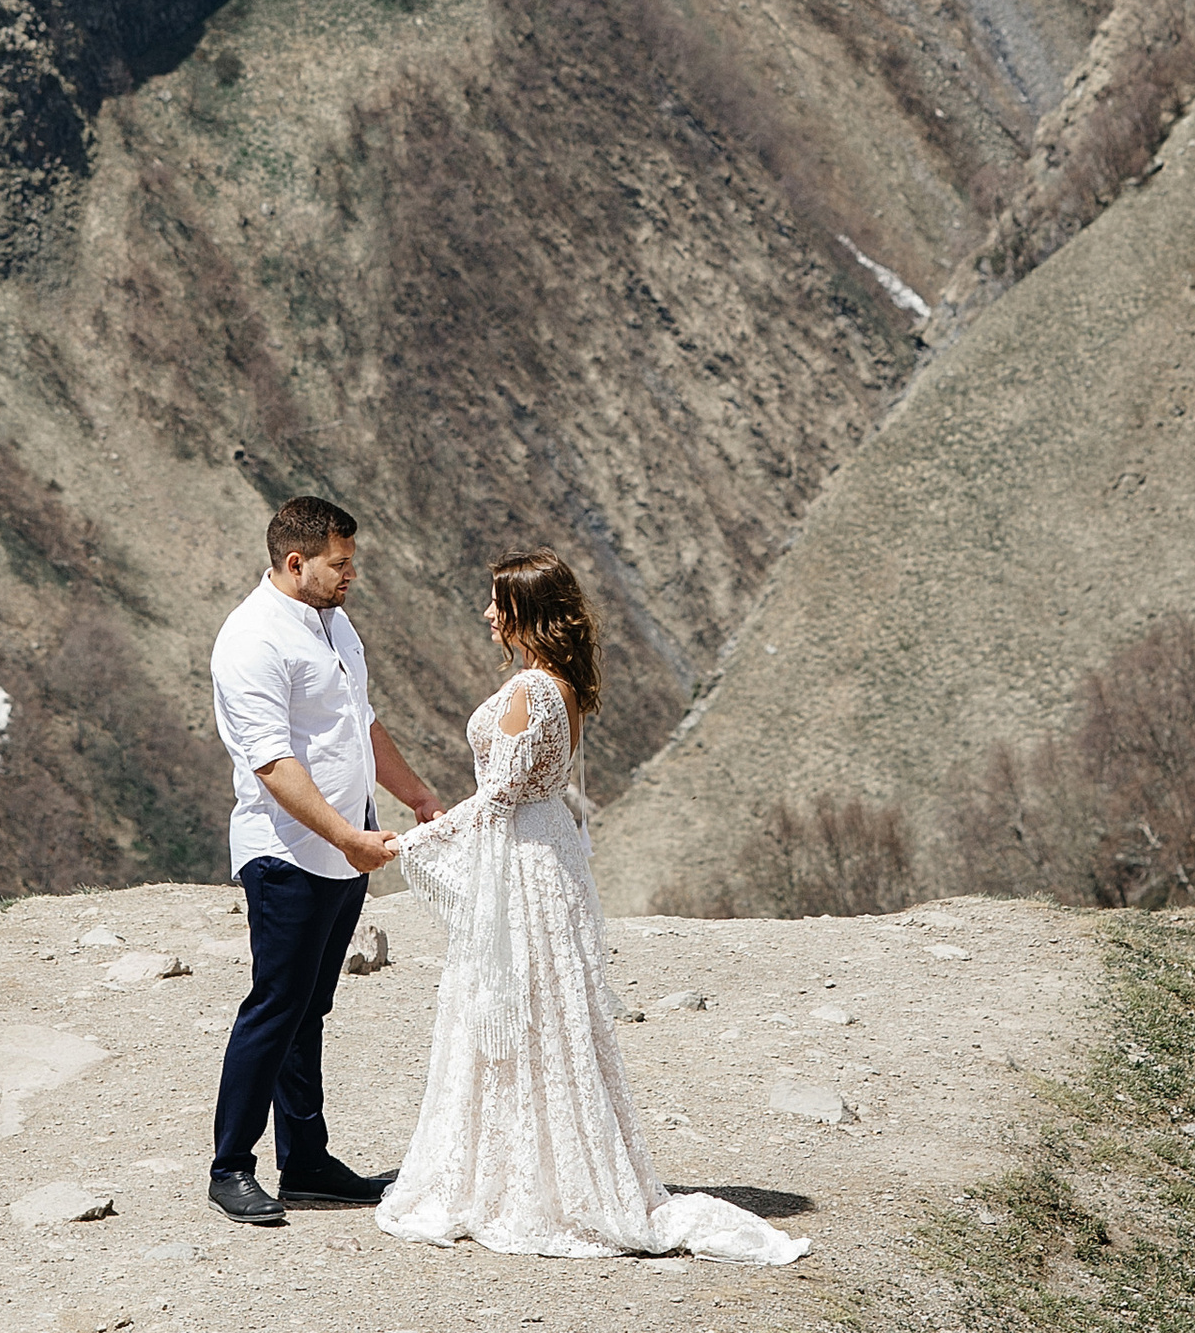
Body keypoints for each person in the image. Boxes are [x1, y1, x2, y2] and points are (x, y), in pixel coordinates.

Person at [380, 549, 811, 1264]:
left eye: (497, 603)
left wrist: (412, 841)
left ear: (525, 611)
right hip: (548, 854)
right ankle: (541, 1170)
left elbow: (497, 800)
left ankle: (520, 1184)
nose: (487, 614)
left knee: (517, 1008)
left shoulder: (531, 690)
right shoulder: (563, 685)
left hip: (525, 863)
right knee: (547, 1014)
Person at [208, 494, 440, 1227]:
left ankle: (307, 1163)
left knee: (311, 1007)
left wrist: (415, 795)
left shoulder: (334, 622)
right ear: (295, 561)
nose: (352, 575)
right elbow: (272, 763)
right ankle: (230, 1168)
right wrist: (347, 836)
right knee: (276, 1006)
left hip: (344, 846)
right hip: (288, 853)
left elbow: (359, 722)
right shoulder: (252, 640)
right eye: (340, 564)